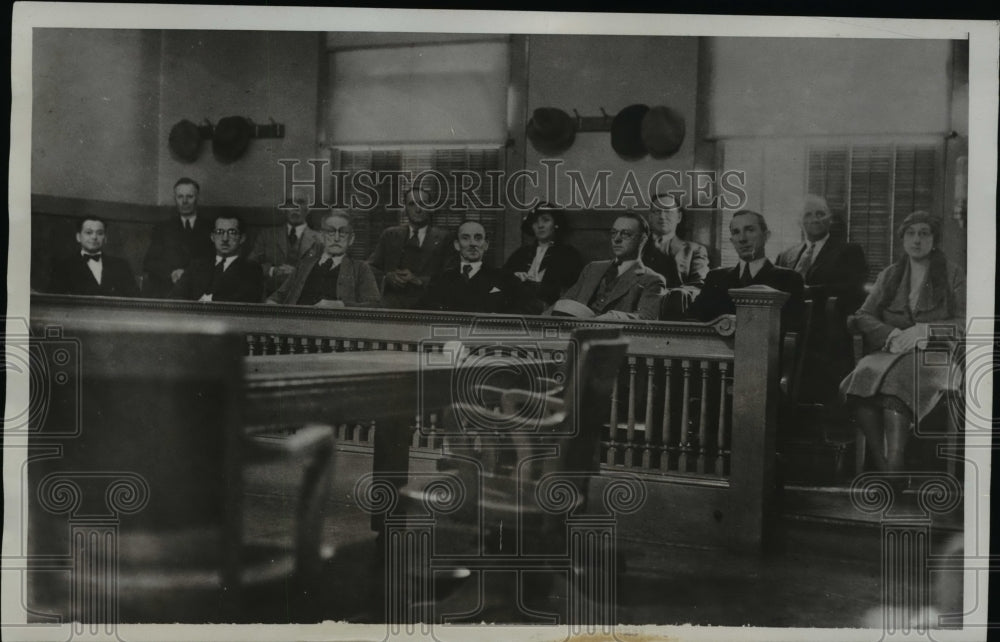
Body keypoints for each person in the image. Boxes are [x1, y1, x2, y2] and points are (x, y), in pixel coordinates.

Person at [840, 212, 965, 473]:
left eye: (924, 233)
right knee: (859, 380)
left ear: (934, 240)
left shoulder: (953, 274)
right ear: (902, 239)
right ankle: (887, 467)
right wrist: (891, 335)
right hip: (891, 351)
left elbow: (965, 322)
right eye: (910, 233)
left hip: (936, 356)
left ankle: (894, 462)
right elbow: (863, 315)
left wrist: (925, 330)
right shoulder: (890, 274)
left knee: (897, 383)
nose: (916, 240)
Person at [776, 194, 869, 401]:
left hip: (826, 330)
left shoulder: (848, 251)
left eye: (820, 213)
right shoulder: (786, 255)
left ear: (830, 218)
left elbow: (854, 290)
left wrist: (809, 291)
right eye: (808, 214)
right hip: (787, 328)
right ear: (799, 221)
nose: (815, 219)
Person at [689, 209, 805, 329]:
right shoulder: (715, 278)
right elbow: (695, 319)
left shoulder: (788, 278)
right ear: (732, 241)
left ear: (766, 236)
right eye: (736, 232)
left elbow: (792, 330)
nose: (742, 239)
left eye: (750, 230)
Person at [552, 212, 666, 321]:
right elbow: (564, 302)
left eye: (625, 234)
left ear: (643, 239)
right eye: (613, 233)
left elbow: (646, 318)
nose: (616, 239)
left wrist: (612, 317)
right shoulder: (592, 268)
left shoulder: (652, 280)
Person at [267, 210, 380, 308]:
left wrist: (341, 305)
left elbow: (374, 305)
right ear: (321, 237)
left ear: (351, 239)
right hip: (296, 326)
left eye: (343, 232)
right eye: (330, 232)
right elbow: (278, 297)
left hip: (335, 329)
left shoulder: (360, 268)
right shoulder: (304, 265)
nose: (336, 238)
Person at [368, 184, 451, 309]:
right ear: (405, 209)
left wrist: (418, 280)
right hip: (392, 307)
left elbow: (450, 277)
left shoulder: (444, 238)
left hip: (428, 307)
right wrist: (387, 277)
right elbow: (370, 268)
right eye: (412, 204)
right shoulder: (390, 235)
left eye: (423, 204)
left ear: (431, 208)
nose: (418, 209)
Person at [501, 203, 584, 315]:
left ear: (555, 224)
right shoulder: (521, 253)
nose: (540, 225)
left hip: (549, 308)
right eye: (535, 222)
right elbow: (503, 278)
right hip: (517, 303)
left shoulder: (568, 255)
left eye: (545, 220)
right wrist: (515, 276)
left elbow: (573, 290)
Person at [142, 177, 215, 297]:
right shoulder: (162, 228)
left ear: (198, 198)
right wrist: (171, 273)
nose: (184, 201)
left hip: (200, 291)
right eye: (180, 197)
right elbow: (149, 262)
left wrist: (188, 274)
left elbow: (214, 261)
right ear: (175, 199)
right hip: (169, 290)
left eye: (189, 196)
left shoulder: (210, 227)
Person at [642, 193, 710, 319]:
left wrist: (667, 296)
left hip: (674, 314)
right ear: (650, 217)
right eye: (657, 211)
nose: (662, 216)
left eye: (668, 211)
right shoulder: (637, 248)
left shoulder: (694, 250)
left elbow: (699, 284)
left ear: (678, 217)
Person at [421, 220, 511, 313]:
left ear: (486, 245)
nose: (472, 243)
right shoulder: (441, 279)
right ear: (457, 245)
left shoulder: (502, 278)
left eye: (478, 238)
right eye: (465, 238)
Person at [170, 214, 263, 303]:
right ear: (212, 237)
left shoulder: (251, 270)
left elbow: (245, 301)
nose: (225, 238)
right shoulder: (196, 266)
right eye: (219, 232)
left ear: (242, 238)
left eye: (232, 232)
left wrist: (207, 302)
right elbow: (175, 296)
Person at [248, 196, 323, 297]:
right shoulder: (266, 235)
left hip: (304, 298)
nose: (295, 208)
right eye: (290, 203)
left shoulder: (321, 239)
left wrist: (299, 273)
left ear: (309, 208)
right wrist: (272, 270)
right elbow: (250, 266)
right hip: (269, 296)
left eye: (300, 203)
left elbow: (325, 273)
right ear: (283, 208)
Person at [48, 216, 139, 297]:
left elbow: (135, 298)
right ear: (78, 237)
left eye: (99, 233)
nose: (94, 237)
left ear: (105, 238)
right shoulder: (63, 267)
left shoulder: (121, 266)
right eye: (88, 232)